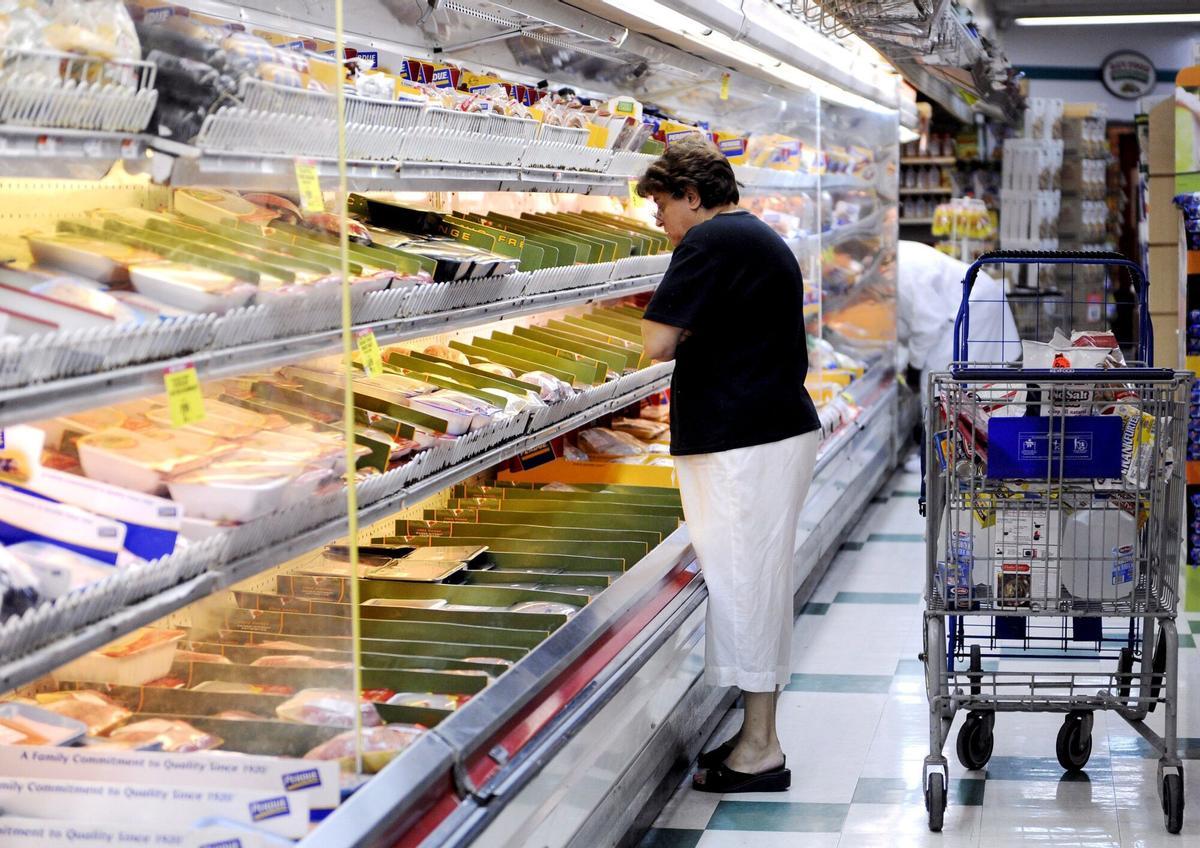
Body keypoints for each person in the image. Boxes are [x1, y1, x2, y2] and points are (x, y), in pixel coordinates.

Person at [636, 137, 821, 795]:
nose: (660, 222)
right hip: (766, 433)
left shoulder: (709, 244)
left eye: (662, 206)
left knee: (745, 584)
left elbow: (655, 342)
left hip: (745, 441)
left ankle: (761, 749)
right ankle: (755, 736)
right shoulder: (752, 237)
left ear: (692, 195)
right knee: (757, 584)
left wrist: (661, 328)